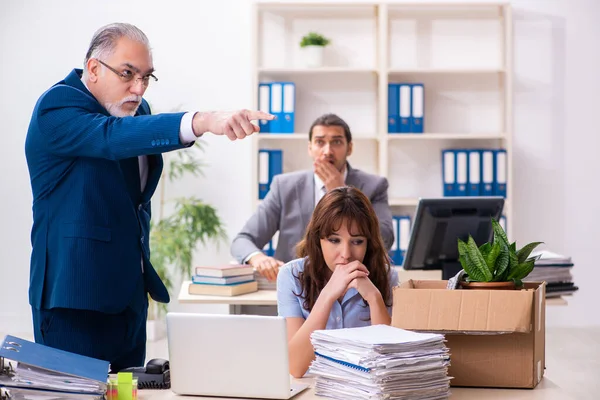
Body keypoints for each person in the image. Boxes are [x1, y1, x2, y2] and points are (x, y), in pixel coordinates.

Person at [24, 22, 273, 371]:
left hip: (128, 299)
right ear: (93, 68)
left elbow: (134, 197)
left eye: (146, 77)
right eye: (128, 73)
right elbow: (111, 138)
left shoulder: (137, 110)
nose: (138, 88)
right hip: (74, 301)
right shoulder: (57, 107)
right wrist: (200, 121)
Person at [231, 113, 394, 281]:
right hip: (295, 285)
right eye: (320, 142)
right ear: (310, 148)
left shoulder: (375, 185)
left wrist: (341, 192)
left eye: (336, 142)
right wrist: (258, 258)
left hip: (353, 286)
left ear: (349, 148)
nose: (327, 151)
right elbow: (243, 240)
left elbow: (385, 239)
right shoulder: (285, 186)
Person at [276, 186, 398, 378]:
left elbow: (389, 365)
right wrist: (328, 294)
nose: (346, 254)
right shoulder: (291, 275)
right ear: (318, 240)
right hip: (313, 386)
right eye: (334, 240)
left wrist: (375, 298)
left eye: (357, 241)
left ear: (369, 242)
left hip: (364, 388)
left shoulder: (386, 276)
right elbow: (296, 367)